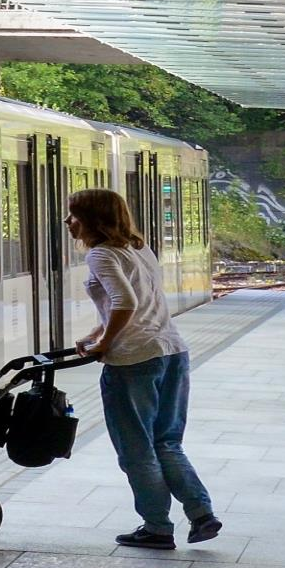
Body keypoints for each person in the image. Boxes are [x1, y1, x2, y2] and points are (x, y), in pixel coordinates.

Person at [67, 188, 221, 549]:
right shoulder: (138, 248)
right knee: (167, 441)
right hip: (171, 351)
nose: (68, 222)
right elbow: (143, 304)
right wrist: (96, 332)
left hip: (134, 360)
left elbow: (125, 302)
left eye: (74, 215)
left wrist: (104, 345)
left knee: (137, 449)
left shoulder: (101, 253)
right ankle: (201, 514)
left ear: (92, 219)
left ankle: (156, 527)